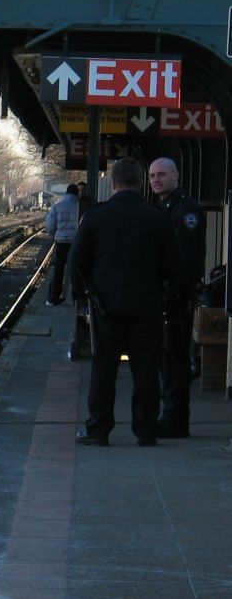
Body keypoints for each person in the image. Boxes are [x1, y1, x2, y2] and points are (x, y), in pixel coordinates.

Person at [70, 157, 180, 447]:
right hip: (148, 308)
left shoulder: (95, 216)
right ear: (142, 183)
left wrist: (81, 297)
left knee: (103, 368)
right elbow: (174, 267)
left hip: (106, 308)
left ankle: (98, 429)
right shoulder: (159, 218)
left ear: (114, 183)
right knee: (145, 371)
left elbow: (76, 262)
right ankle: (145, 430)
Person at [148, 156, 206, 438]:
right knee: (168, 360)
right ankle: (171, 415)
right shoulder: (168, 208)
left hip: (176, 300)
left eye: (161, 175)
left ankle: (175, 419)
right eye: (152, 176)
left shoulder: (185, 212)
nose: (156, 180)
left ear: (176, 176)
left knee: (174, 361)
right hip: (170, 298)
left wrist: (170, 296)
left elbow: (183, 261)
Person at [44, 183, 79, 306]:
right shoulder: (79, 206)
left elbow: (49, 225)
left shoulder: (57, 206)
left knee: (59, 269)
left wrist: (56, 235)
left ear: (66, 193)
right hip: (75, 242)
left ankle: (54, 297)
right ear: (77, 193)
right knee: (75, 269)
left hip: (61, 242)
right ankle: (75, 297)